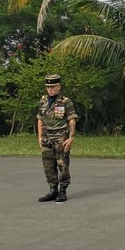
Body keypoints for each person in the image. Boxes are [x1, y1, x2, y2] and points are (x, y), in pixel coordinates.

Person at [36, 73, 78, 203]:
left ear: (59, 87)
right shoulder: (43, 101)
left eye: (53, 86)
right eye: (48, 87)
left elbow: (72, 120)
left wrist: (71, 138)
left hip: (61, 137)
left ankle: (63, 190)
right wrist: (39, 137)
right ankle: (53, 189)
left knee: (62, 164)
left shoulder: (65, 102)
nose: (50, 89)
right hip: (46, 138)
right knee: (48, 165)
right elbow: (40, 120)